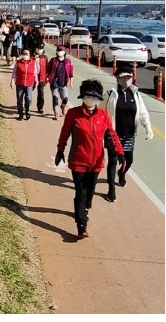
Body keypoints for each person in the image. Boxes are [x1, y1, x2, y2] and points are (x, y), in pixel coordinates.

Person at [55, 78, 124, 239]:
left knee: (90, 192)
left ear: (99, 99)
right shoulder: (73, 114)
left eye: (94, 97)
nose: (91, 100)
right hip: (78, 160)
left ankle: (84, 209)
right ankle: (81, 225)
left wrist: (120, 153)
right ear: (82, 97)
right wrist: (60, 150)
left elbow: (112, 135)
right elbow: (64, 133)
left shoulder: (103, 115)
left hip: (97, 162)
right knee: (81, 192)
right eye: (88, 96)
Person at [105, 67, 153, 201]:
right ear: (117, 78)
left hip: (129, 134)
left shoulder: (136, 94)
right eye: (123, 78)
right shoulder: (110, 93)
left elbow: (142, 112)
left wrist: (148, 127)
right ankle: (111, 190)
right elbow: (101, 112)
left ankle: (122, 173)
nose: (126, 80)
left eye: (129, 78)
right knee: (113, 161)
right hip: (113, 134)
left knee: (129, 160)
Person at [47, 45, 74, 118]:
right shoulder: (53, 61)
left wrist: (71, 82)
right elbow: (48, 70)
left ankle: (63, 106)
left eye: (61, 51)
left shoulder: (68, 61)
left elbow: (71, 72)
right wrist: (47, 78)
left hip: (63, 82)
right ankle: (56, 112)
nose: (59, 52)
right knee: (55, 98)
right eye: (58, 51)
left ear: (64, 52)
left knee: (65, 98)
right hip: (54, 82)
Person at [11, 47, 37, 119]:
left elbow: (35, 73)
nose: (25, 55)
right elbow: (14, 73)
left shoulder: (33, 62)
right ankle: (20, 114)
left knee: (28, 98)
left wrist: (36, 81)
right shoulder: (18, 63)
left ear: (29, 55)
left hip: (29, 83)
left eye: (27, 54)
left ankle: (27, 111)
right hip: (20, 83)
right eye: (24, 54)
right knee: (19, 99)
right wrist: (12, 82)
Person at [35, 44, 49, 115]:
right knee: (28, 93)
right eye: (38, 49)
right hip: (32, 78)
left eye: (41, 49)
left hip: (42, 78)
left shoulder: (45, 58)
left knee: (41, 93)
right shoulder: (32, 57)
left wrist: (47, 77)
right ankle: (27, 105)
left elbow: (47, 68)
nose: (39, 50)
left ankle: (40, 107)